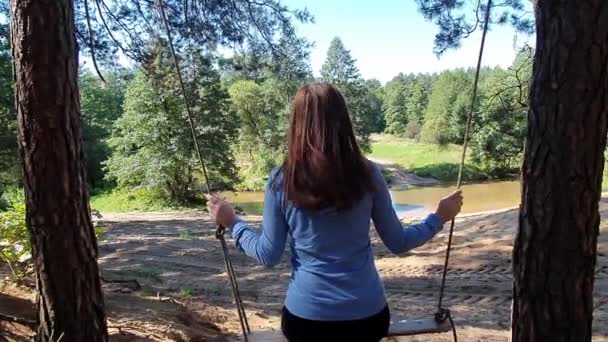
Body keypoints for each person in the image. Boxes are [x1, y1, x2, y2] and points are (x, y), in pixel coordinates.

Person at [206, 83, 463, 342]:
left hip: (306, 321)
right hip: (367, 318)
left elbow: (267, 253)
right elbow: (399, 242)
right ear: (343, 122)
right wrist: (438, 216)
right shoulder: (368, 174)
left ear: (296, 124)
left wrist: (233, 222)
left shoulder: (281, 181)